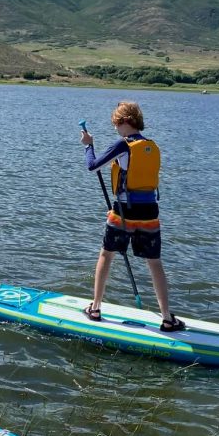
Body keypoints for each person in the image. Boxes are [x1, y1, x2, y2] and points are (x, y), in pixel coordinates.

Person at [80, 101, 185, 332]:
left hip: (124, 213)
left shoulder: (123, 145)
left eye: (116, 123)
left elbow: (92, 167)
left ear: (125, 121)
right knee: (155, 263)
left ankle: (95, 308)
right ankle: (167, 318)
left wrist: (89, 146)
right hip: (150, 213)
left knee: (106, 256)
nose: (116, 128)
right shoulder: (152, 146)